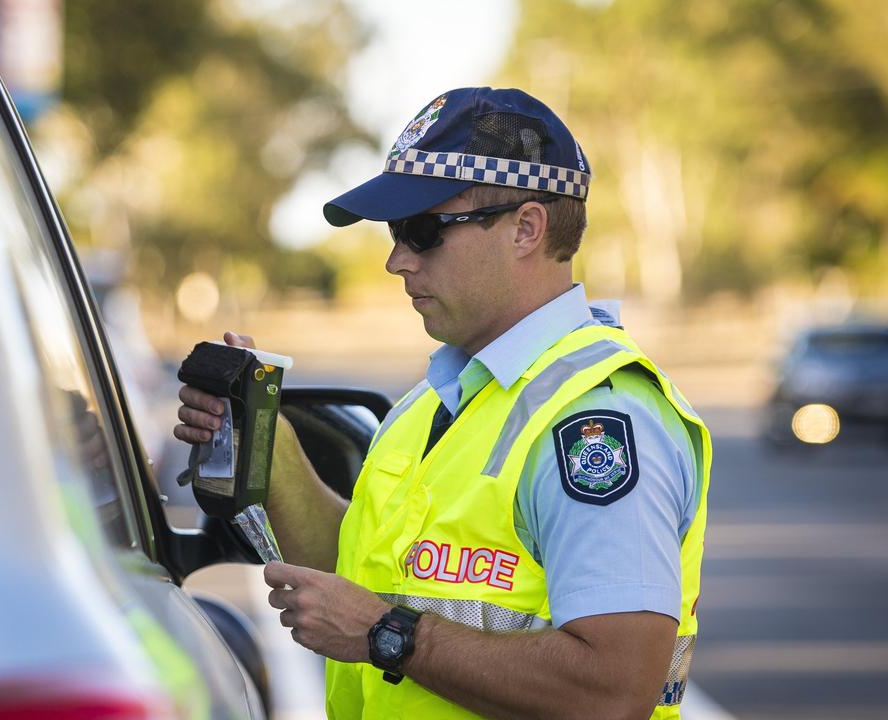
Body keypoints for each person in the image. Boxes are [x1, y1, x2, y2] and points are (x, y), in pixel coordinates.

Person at [174, 87, 711, 720]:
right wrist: (266, 444)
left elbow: (614, 688)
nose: (396, 260)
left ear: (527, 228)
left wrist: (386, 634)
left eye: (424, 230)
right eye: (397, 233)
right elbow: (361, 576)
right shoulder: (436, 396)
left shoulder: (594, 424)